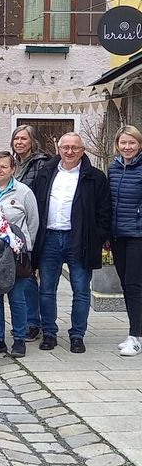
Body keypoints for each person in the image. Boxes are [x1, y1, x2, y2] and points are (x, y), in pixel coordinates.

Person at [32, 132, 111, 354]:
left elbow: (105, 212)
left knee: (81, 290)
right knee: (47, 289)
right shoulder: (46, 172)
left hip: (80, 239)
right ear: (58, 149)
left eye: (74, 148)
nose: (69, 151)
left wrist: (97, 237)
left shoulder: (95, 177)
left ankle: (77, 335)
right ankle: (49, 333)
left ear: (82, 150)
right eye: (65, 147)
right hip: (50, 238)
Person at [0, 151, 39, 359]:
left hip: (15, 253)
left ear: (13, 169)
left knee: (17, 298)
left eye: (4, 167)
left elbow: (33, 223)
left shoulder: (24, 192)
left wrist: (25, 248)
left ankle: (19, 339)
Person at [11, 125, 50, 342]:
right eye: (16, 138)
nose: (19, 142)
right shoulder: (14, 164)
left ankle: (34, 322)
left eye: (24, 139)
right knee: (22, 276)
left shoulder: (40, 163)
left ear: (32, 141)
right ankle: (26, 321)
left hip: (32, 227)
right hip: (14, 230)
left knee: (29, 276)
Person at [108, 125, 142, 356]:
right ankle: (135, 331)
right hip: (118, 235)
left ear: (139, 145)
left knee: (134, 285)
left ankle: (135, 336)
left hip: (138, 235)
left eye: (132, 143)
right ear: (117, 145)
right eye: (123, 143)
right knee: (126, 286)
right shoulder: (113, 168)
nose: (127, 147)